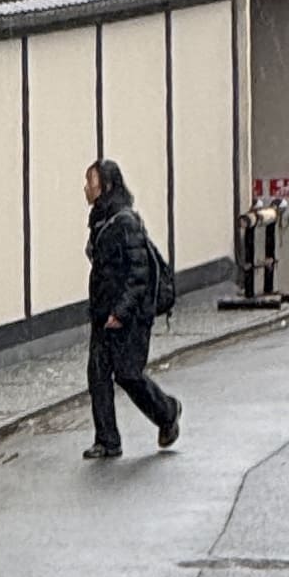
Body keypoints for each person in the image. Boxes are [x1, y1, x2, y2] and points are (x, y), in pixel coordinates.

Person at [84, 157, 181, 459]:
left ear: (106, 186)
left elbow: (138, 275)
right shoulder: (100, 219)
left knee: (128, 374)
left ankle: (167, 411)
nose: (86, 189)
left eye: (91, 182)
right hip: (103, 312)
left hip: (131, 316)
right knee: (98, 374)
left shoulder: (126, 222)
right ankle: (107, 440)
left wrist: (121, 312)